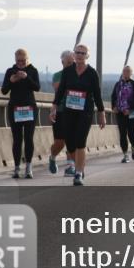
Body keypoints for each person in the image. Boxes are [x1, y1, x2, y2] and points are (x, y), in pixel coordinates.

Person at [49, 43, 105, 186]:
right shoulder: (68, 72)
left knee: (80, 141)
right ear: (74, 55)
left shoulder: (92, 73)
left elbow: (97, 95)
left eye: (82, 53)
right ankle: (79, 165)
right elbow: (60, 91)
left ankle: (78, 173)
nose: (79, 55)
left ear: (87, 56)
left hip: (85, 112)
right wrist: (54, 107)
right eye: (77, 52)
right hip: (69, 111)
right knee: (71, 143)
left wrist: (101, 113)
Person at [1, 48, 41, 179]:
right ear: (15, 60)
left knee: (28, 138)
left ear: (27, 59)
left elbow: (37, 87)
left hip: (29, 108)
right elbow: (4, 91)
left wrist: (26, 77)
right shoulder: (10, 71)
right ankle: (17, 167)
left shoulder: (33, 71)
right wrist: (11, 81)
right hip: (15, 109)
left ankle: (28, 167)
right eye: (18, 61)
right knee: (17, 139)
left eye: (23, 61)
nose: (21, 63)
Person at [49, 50, 76, 176]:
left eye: (73, 63)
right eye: (68, 63)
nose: (71, 65)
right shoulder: (57, 75)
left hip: (74, 110)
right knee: (60, 142)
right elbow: (58, 88)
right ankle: (53, 157)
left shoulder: (79, 73)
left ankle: (71, 166)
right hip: (60, 111)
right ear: (62, 62)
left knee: (72, 139)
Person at [110, 65, 134, 163]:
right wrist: (114, 107)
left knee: (131, 134)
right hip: (120, 112)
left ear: (131, 73)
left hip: (132, 114)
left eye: (128, 71)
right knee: (123, 134)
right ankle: (125, 155)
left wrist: (130, 109)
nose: (126, 73)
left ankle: (133, 147)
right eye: (124, 71)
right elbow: (113, 96)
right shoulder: (118, 84)